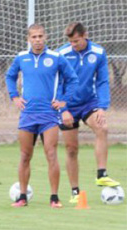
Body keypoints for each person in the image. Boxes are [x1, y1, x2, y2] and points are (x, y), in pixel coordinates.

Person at [5, 24, 78, 208]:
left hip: (49, 115)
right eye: (34, 37)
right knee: (24, 155)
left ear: (45, 37)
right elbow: (9, 76)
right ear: (28, 39)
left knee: (51, 153)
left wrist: (63, 101)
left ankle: (54, 198)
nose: (37, 40)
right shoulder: (22, 57)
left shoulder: (56, 57)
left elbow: (73, 79)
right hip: (28, 114)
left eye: (40, 36)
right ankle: (22, 197)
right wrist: (14, 96)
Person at [56, 22, 120, 204]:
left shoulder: (98, 53)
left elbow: (102, 81)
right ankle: (75, 192)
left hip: (88, 103)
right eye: (70, 42)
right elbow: (57, 85)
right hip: (67, 105)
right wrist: (63, 110)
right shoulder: (61, 54)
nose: (73, 45)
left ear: (85, 35)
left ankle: (101, 174)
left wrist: (102, 106)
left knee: (102, 127)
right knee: (71, 149)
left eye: (76, 41)